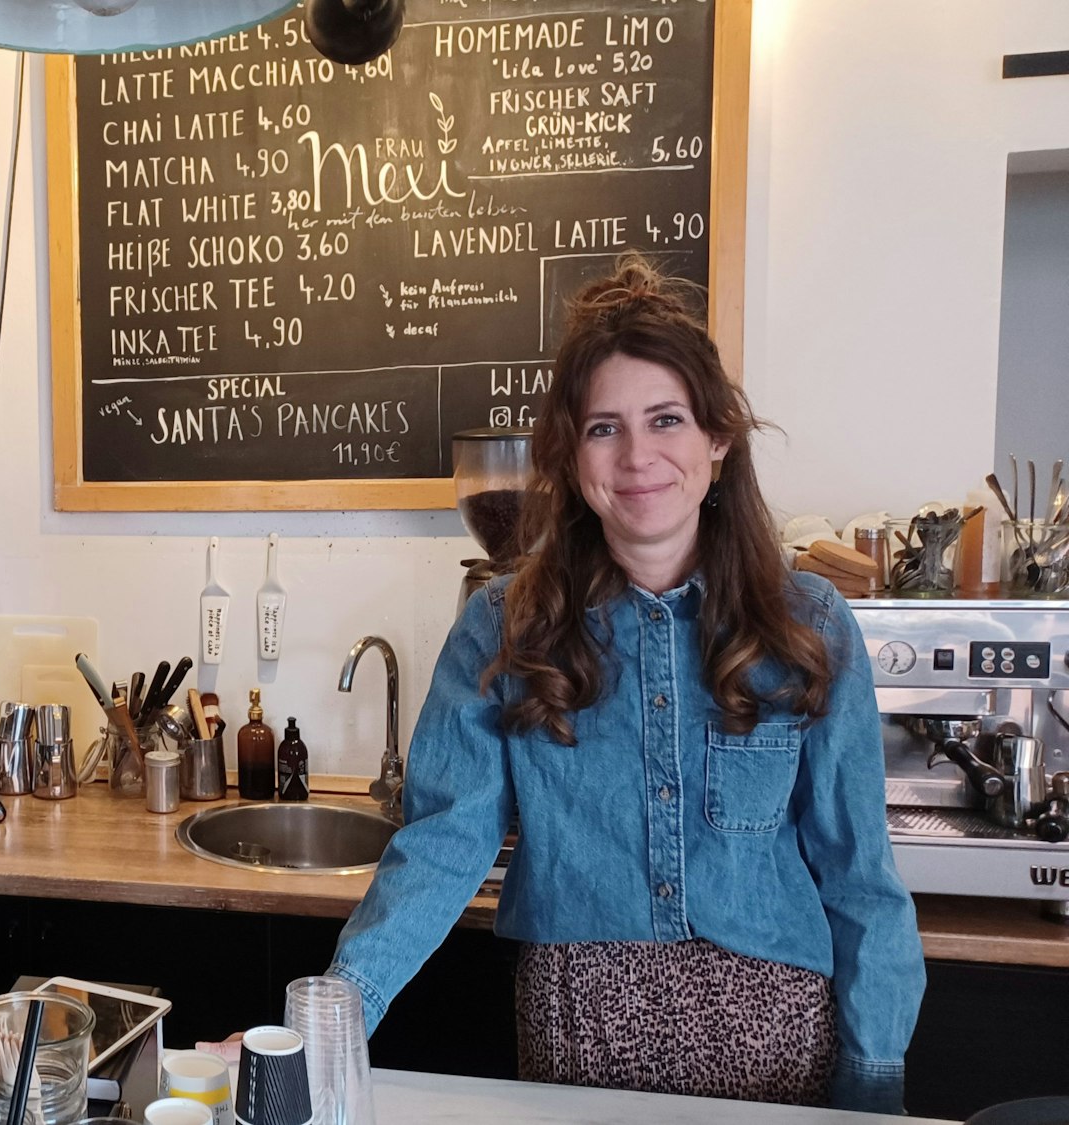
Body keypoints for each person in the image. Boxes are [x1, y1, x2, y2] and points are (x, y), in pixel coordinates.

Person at [327, 256, 925, 1113]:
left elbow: (858, 871)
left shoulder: (809, 624)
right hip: (581, 1032)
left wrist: (874, 1072)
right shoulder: (503, 627)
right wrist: (335, 1013)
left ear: (717, 439)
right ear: (571, 456)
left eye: (666, 419)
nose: (638, 455)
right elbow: (441, 843)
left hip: (774, 1046)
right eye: (604, 427)